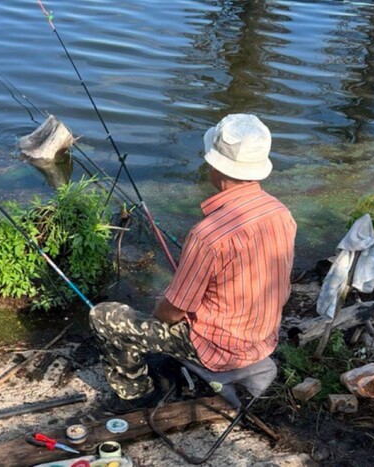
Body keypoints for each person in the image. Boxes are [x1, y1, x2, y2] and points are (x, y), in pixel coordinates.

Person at [90, 113, 297, 414]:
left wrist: (160, 308)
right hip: (262, 340)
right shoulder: (281, 214)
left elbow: (171, 313)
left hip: (218, 351)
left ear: (215, 165)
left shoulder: (207, 235)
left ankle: (136, 393)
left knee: (104, 315)